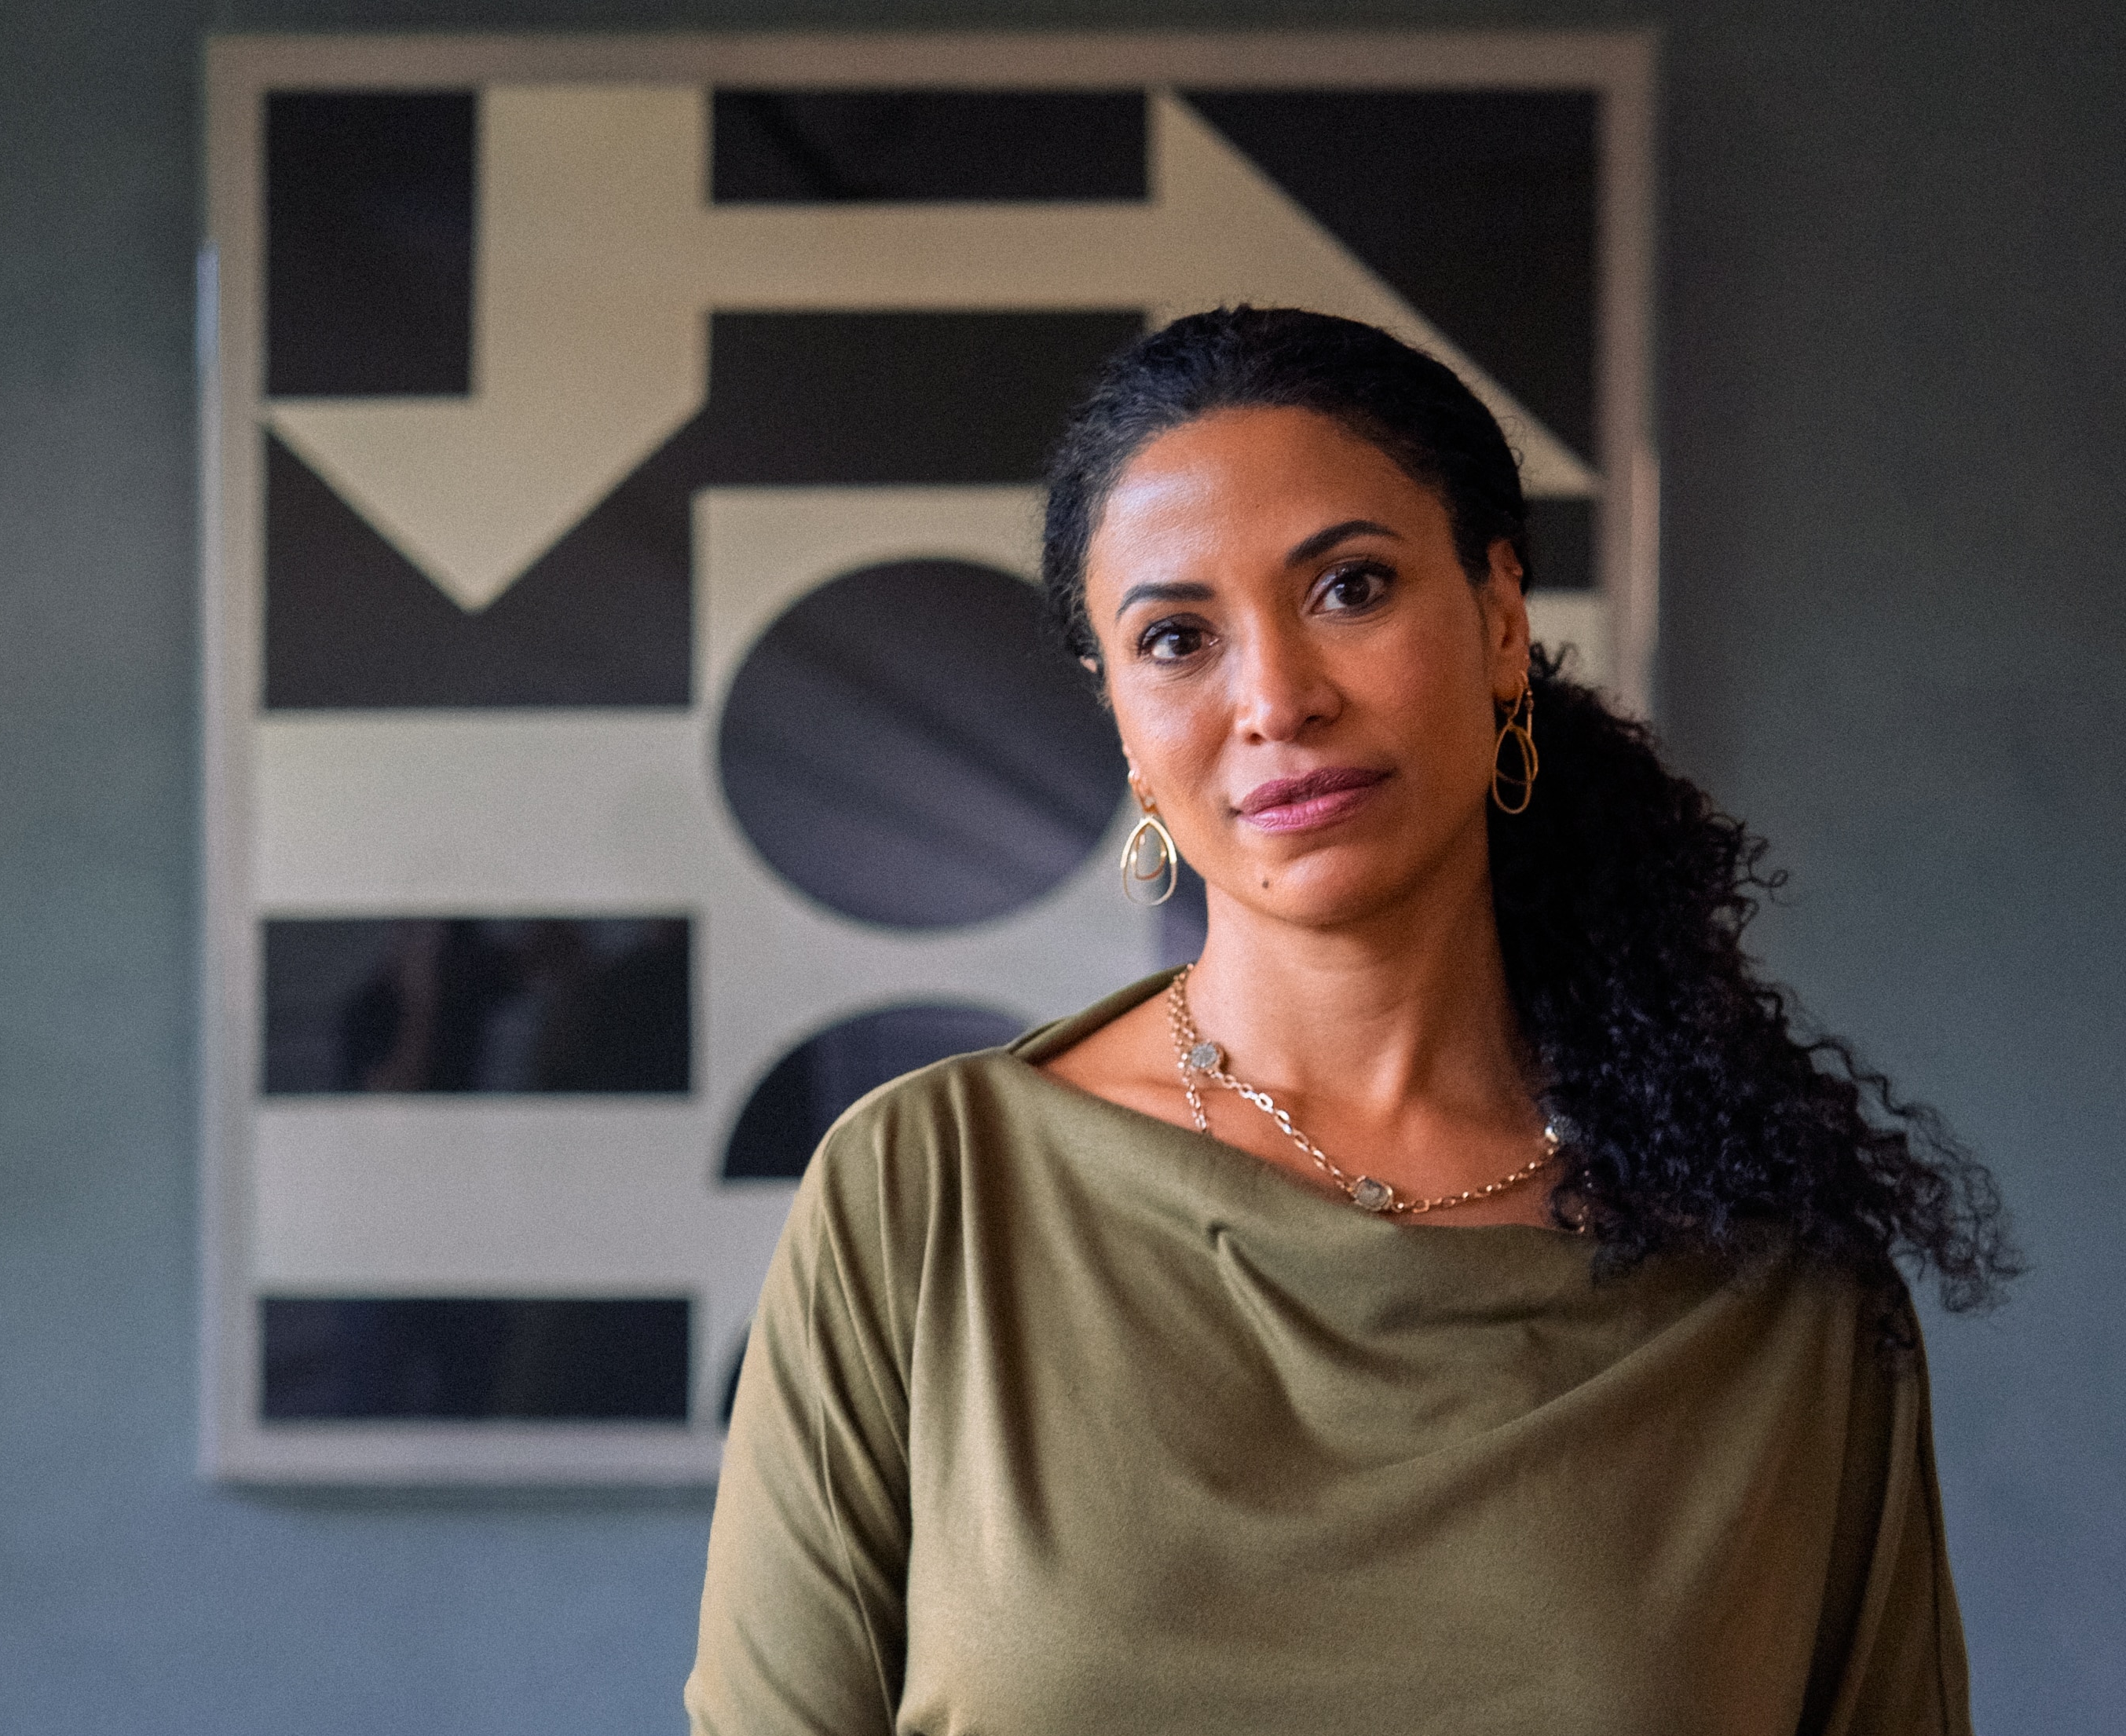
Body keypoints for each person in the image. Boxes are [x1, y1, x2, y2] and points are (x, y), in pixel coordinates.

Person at [686, 307, 2013, 1734]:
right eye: (1178, 637)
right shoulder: (928, 1194)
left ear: (1500, 620)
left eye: (1351, 588)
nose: (1276, 699)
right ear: (1123, 719)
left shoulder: (1772, 1274)